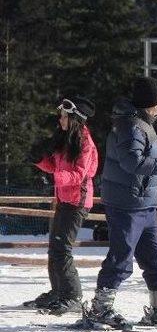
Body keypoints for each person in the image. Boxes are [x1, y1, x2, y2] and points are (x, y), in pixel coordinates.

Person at [90, 76, 157, 328]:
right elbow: (131, 162)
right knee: (122, 255)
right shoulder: (131, 126)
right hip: (127, 203)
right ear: (152, 103)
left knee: (154, 257)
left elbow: (141, 159)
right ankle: (101, 306)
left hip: (144, 203)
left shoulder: (141, 124)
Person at [23, 96, 98, 314]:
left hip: (77, 202)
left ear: (75, 118)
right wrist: (38, 160)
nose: (60, 120)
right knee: (54, 248)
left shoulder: (85, 144)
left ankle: (72, 296)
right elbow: (54, 168)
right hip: (64, 199)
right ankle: (58, 291)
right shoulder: (66, 140)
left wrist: (53, 179)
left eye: (64, 116)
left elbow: (78, 175)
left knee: (62, 249)